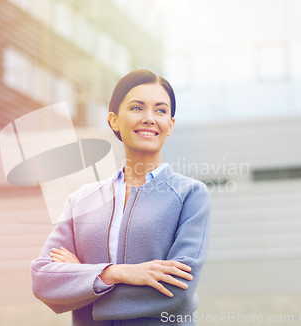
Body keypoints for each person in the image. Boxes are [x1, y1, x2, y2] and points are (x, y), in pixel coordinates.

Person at [30, 69, 211, 325]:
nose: (149, 118)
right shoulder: (81, 200)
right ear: (114, 120)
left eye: (160, 110)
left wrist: (83, 279)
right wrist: (118, 273)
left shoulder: (190, 195)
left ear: (170, 125)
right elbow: (43, 280)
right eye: (137, 108)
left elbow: (177, 292)